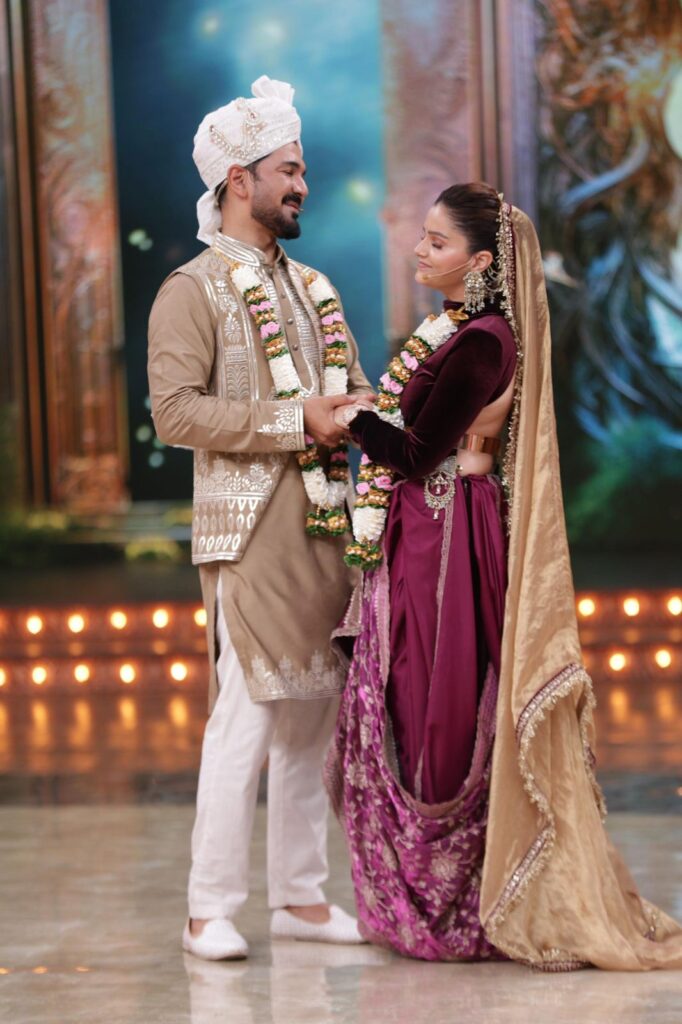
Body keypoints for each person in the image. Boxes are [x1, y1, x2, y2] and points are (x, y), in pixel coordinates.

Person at [327, 182, 682, 969]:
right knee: (418, 688)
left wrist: (352, 419)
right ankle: (430, 894)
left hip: (446, 528)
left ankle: (457, 899)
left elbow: (417, 453)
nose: (420, 251)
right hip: (431, 523)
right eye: (423, 236)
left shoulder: (483, 342)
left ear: (482, 261)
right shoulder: (459, 330)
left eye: (437, 241)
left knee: (439, 696)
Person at [148, 75, 374, 961]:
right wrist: (294, 420)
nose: (303, 185)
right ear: (238, 180)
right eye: (289, 170)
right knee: (245, 715)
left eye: (303, 170)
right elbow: (175, 413)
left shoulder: (315, 287)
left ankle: (300, 900)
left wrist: (378, 410)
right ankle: (207, 909)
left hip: (326, 528)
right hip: (245, 532)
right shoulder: (192, 289)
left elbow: (351, 387)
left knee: (312, 716)